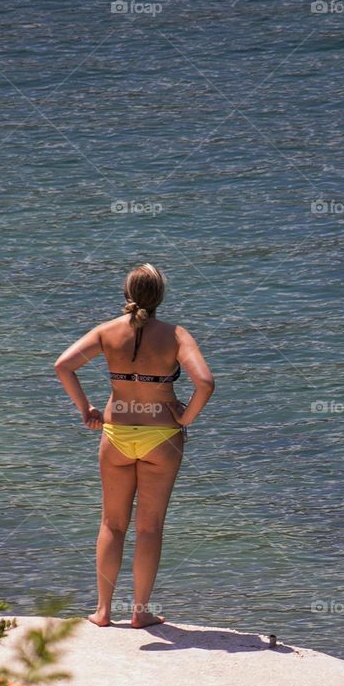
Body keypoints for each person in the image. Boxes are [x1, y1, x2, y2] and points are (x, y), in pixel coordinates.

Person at [54, 263, 215, 628]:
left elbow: (63, 366)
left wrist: (87, 409)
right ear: (160, 296)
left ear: (127, 294)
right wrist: (185, 419)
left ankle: (103, 611)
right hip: (162, 439)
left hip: (117, 435)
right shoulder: (175, 336)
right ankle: (140, 613)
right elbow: (205, 382)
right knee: (149, 527)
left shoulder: (107, 332)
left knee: (112, 524)